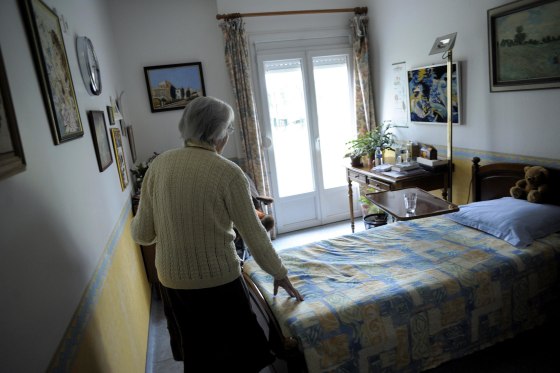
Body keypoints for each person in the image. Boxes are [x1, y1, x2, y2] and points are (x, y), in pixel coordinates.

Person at [131, 96, 303, 372]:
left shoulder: (158, 166)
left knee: (197, 356)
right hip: (218, 282)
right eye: (229, 129)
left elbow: (142, 234)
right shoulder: (228, 173)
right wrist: (280, 274)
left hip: (172, 283)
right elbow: (255, 235)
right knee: (239, 358)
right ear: (218, 132)